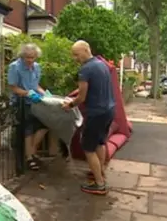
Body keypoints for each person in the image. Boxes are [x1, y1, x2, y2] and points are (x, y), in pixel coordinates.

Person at [62, 40, 115, 195]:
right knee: (100, 143)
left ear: (86, 50)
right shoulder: (102, 65)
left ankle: (99, 184)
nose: (74, 58)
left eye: (76, 54)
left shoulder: (85, 70)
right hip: (109, 110)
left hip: (96, 113)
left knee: (88, 147)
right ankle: (100, 172)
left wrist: (69, 105)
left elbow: (82, 97)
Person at [7, 43, 50, 170]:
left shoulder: (37, 67)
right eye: (27, 57)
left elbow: (36, 85)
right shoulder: (14, 67)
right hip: (21, 102)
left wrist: (45, 94)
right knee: (28, 129)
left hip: (35, 101)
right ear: (22, 56)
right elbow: (13, 88)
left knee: (45, 125)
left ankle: (31, 152)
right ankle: (30, 158)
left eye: (33, 57)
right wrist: (27, 93)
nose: (30, 60)